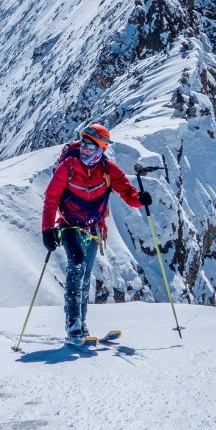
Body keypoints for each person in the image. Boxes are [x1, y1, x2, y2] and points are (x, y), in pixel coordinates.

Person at [41, 122, 153, 343]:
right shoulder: (69, 167)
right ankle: (73, 327)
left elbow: (127, 192)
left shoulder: (108, 170)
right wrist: (47, 230)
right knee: (77, 265)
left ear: (101, 148)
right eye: (83, 144)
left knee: (84, 276)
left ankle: (81, 326)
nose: (84, 149)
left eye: (90, 146)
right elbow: (51, 198)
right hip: (69, 223)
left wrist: (140, 201)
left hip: (93, 227)